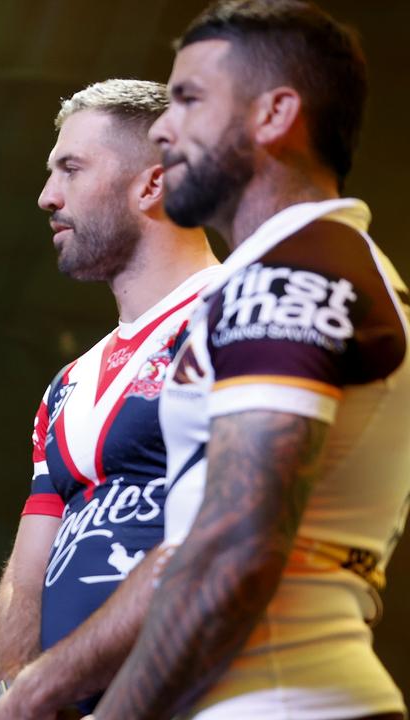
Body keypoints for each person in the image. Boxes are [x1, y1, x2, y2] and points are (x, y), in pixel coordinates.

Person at [93, 2, 409, 718]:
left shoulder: (291, 277)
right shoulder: (311, 265)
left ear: (275, 115)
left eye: (189, 99)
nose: (164, 128)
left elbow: (233, 551)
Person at [0, 79, 219, 718]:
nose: (46, 196)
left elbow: (229, 536)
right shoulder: (68, 383)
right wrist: (14, 690)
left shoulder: (233, 315)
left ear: (151, 183)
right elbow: (30, 569)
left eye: (71, 168)